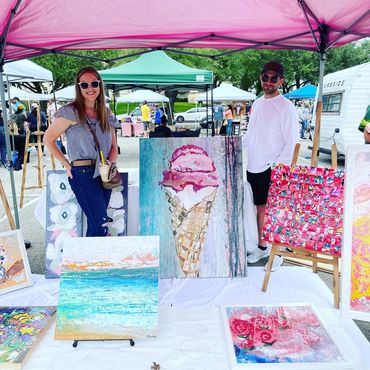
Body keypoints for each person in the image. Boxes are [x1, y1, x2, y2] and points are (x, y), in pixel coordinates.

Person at [43, 66, 120, 237]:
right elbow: (48, 139)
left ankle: (90, 262)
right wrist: (65, 163)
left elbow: (114, 146)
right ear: (78, 88)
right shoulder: (70, 112)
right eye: (84, 85)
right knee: (100, 224)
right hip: (83, 173)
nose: (90, 88)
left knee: (98, 224)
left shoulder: (105, 112)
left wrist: (111, 166)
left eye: (94, 83)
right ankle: (92, 261)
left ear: (100, 85)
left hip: (104, 173)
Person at [246, 60, 300, 271]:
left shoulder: (286, 107)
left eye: (273, 78)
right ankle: (262, 246)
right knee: (260, 208)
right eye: (265, 77)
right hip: (253, 164)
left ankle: (276, 252)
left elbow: (292, 142)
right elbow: (251, 134)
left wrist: (279, 168)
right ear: (260, 78)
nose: (268, 82)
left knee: (273, 210)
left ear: (281, 81)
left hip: (272, 167)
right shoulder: (258, 102)